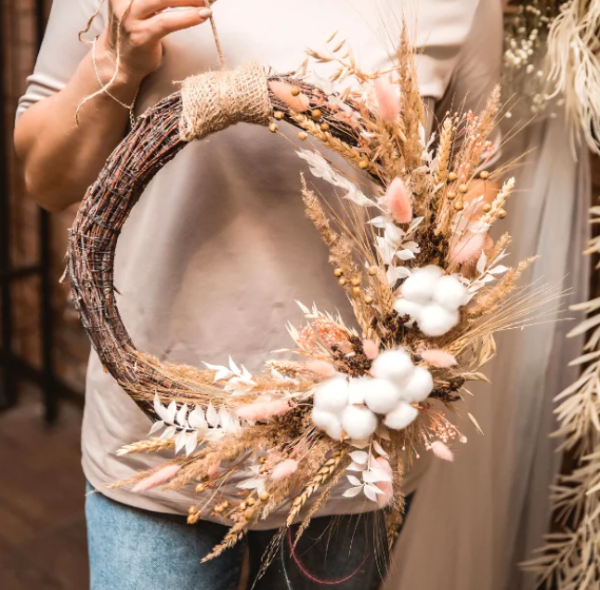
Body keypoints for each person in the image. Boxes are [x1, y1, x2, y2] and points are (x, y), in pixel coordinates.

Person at [14, 1, 502, 588]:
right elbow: (46, 179)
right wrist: (118, 63)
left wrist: (429, 327)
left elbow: (471, 182)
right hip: (157, 442)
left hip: (355, 443)